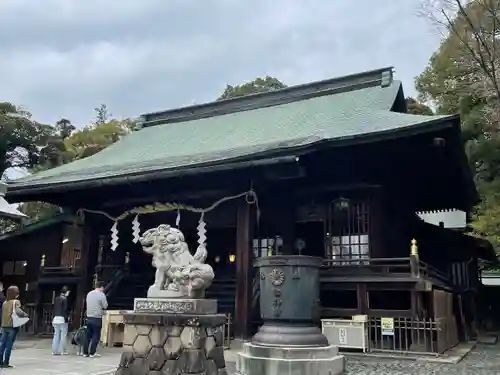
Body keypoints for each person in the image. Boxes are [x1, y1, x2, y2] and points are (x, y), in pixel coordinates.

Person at [0, 285, 28, 368]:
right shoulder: (16, 301)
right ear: (15, 293)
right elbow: (19, 312)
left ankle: (0, 362)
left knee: (2, 345)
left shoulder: (5, 303)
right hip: (12, 326)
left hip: (4, 326)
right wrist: (25, 315)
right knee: (9, 345)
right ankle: (6, 363)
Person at [83, 282, 107, 358]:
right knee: (96, 335)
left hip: (88, 317)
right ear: (101, 287)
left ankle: (85, 352)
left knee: (88, 336)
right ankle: (92, 353)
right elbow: (105, 306)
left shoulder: (89, 294)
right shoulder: (101, 295)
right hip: (97, 318)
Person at [52, 286, 70, 355]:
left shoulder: (56, 298)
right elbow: (65, 310)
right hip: (62, 319)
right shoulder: (65, 299)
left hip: (55, 318)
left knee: (56, 335)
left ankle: (54, 351)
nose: (68, 293)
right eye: (68, 292)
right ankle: (63, 350)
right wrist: (67, 318)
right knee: (63, 335)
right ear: (66, 292)